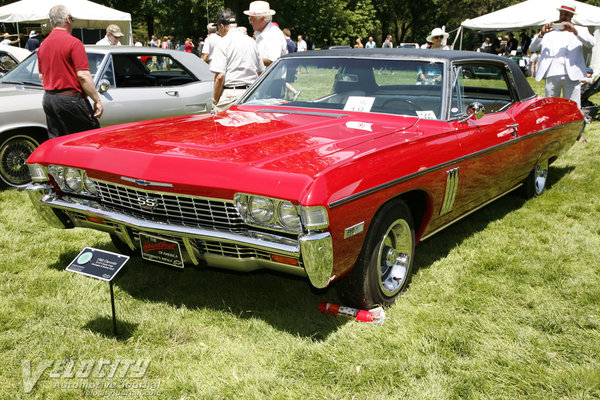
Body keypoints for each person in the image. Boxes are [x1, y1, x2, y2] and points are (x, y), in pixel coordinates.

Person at [37, 5, 102, 138]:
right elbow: (83, 75)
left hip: (49, 98)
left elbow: (41, 76)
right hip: (70, 99)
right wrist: (97, 100)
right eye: (72, 20)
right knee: (89, 137)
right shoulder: (74, 43)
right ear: (67, 19)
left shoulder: (43, 45)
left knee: (57, 141)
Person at [529, 3, 594, 108]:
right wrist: (541, 34)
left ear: (572, 16)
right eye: (562, 13)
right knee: (551, 105)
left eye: (567, 14)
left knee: (573, 106)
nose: (564, 16)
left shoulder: (580, 30)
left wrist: (575, 31)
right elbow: (532, 48)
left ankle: (573, 124)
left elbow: (591, 43)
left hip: (572, 74)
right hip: (552, 73)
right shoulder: (549, 30)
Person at [210, 9, 264, 113]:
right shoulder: (251, 41)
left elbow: (220, 76)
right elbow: (261, 72)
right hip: (251, 94)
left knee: (221, 126)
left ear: (221, 26)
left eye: (217, 27)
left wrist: (215, 101)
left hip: (231, 94)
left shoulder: (223, 42)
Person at [245, 1, 286, 67]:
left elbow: (272, 61)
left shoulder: (274, 34)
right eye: (249, 18)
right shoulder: (260, 32)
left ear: (262, 19)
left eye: (252, 19)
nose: (250, 22)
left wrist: (249, 55)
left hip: (273, 77)